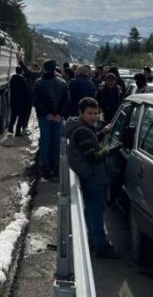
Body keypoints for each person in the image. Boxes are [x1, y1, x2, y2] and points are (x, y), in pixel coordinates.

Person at [65, 97, 119, 257]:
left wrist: (101, 133)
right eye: (90, 113)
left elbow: (90, 143)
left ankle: (93, 241)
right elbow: (93, 156)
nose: (94, 117)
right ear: (80, 112)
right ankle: (101, 247)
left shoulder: (81, 127)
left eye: (96, 113)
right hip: (93, 177)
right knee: (96, 212)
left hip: (89, 176)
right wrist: (111, 150)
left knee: (91, 211)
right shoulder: (82, 131)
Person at [33, 59, 69, 180]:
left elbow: (37, 101)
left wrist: (47, 114)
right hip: (58, 117)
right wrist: (59, 114)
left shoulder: (38, 83)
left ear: (44, 68)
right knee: (56, 142)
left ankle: (45, 167)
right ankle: (56, 167)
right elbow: (66, 101)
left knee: (45, 141)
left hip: (45, 117)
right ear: (54, 69)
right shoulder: (62, 83)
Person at [9, 66, 32, 136]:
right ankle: (17, 131)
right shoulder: (23, 80)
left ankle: (10, 128)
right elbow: (26, 92)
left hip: (13, 100)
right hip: (21, 102)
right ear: (22, 71)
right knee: (21, 116)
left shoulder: (12, 79)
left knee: (14, 115)